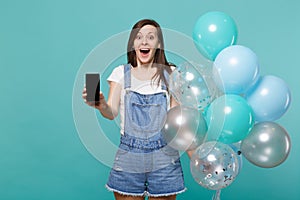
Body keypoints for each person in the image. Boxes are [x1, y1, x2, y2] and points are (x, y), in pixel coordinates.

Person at [82, 19, 186, 200]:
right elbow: (111, 112)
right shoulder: (121, 73)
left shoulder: (171, 73)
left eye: (150, 37)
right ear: (133, 44)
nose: (144, 41)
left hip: (165, 155)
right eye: (139, 37)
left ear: (158, 44)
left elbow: (177, 121)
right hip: (129, 155)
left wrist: (195, 151)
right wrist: (101, 105)